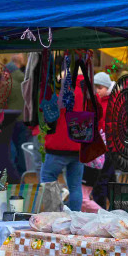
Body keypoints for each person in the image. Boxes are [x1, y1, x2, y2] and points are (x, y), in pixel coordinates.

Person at [39, 63, 87, 212]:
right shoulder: (87, 92)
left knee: (48, 178)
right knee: (75, 185)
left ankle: (54, 215)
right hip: (79, 145)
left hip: (58, 145)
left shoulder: (63, 93)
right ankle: (75, 217)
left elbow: (48, 112)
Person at [83, 71, 115, 209]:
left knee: (102, 181)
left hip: (109, 147)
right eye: (95, 88)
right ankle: (115, 208)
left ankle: (103, 211)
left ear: (107, 88)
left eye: (100, 88)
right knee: (108, 180)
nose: (97, 91)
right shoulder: (96, 99)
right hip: (101, 147)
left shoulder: (113, 101)